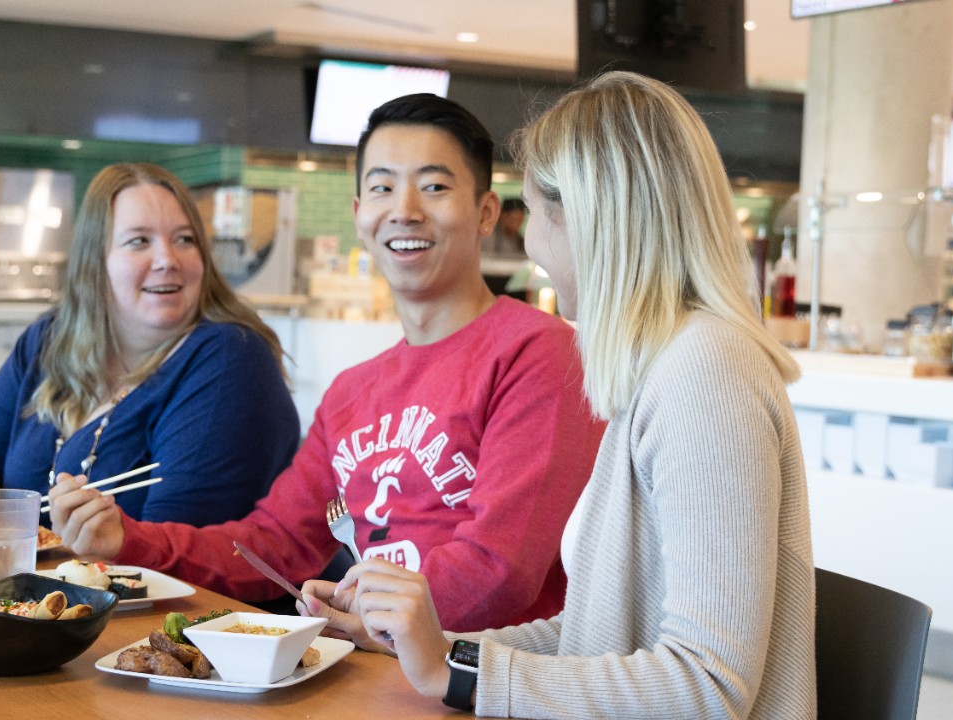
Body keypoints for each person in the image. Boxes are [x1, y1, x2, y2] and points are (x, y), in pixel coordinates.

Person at [301, 72, 818, 720]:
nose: (530, 241)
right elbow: (598, 633)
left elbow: (709, 686)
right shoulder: (653, 368)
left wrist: (464, 673)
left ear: (591, 218)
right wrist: (439, 648)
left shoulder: (704, 373)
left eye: (534, 211)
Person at [48, 95, 605, 630]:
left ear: (486, 212)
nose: (405, 211)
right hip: (367, 679)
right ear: (360, 214)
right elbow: (274, 545)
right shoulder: (352, 393)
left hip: (480, 692)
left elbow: (500, 571)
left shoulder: (539, 353)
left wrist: (361, 613)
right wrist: (128, 540)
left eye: (434, 187)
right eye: (382, 188)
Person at [0, 163, 300, 529]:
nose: (167, 259)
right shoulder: (50, 340)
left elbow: (176, 551)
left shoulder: (229, 358)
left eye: (185, 239)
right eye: (139, 241)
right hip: (59, 601)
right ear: (94, 260)